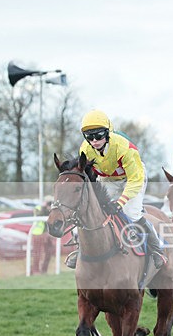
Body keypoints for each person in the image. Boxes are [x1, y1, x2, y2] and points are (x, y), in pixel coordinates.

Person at [67, 109, 166, 269]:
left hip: (132, 177)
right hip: (108, 179)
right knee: (94, 211)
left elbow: (135, 180)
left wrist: (120, 202)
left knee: (131, 214)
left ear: (107, 133)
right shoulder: (84, 149)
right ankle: (80, 249)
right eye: (89, 136)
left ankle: (157, 249)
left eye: (98, 135)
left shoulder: (125, 148)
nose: (94, 140)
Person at [31, 196, 56, 274]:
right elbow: (39, 215)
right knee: (37, 254)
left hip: (48, 233)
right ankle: (35, 271)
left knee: (49, 253)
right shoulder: (38, 208)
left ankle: (44, 270)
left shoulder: (52, 209)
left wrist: (51, 209)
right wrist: (44, 207)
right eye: (49, 202)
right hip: (38, 233)